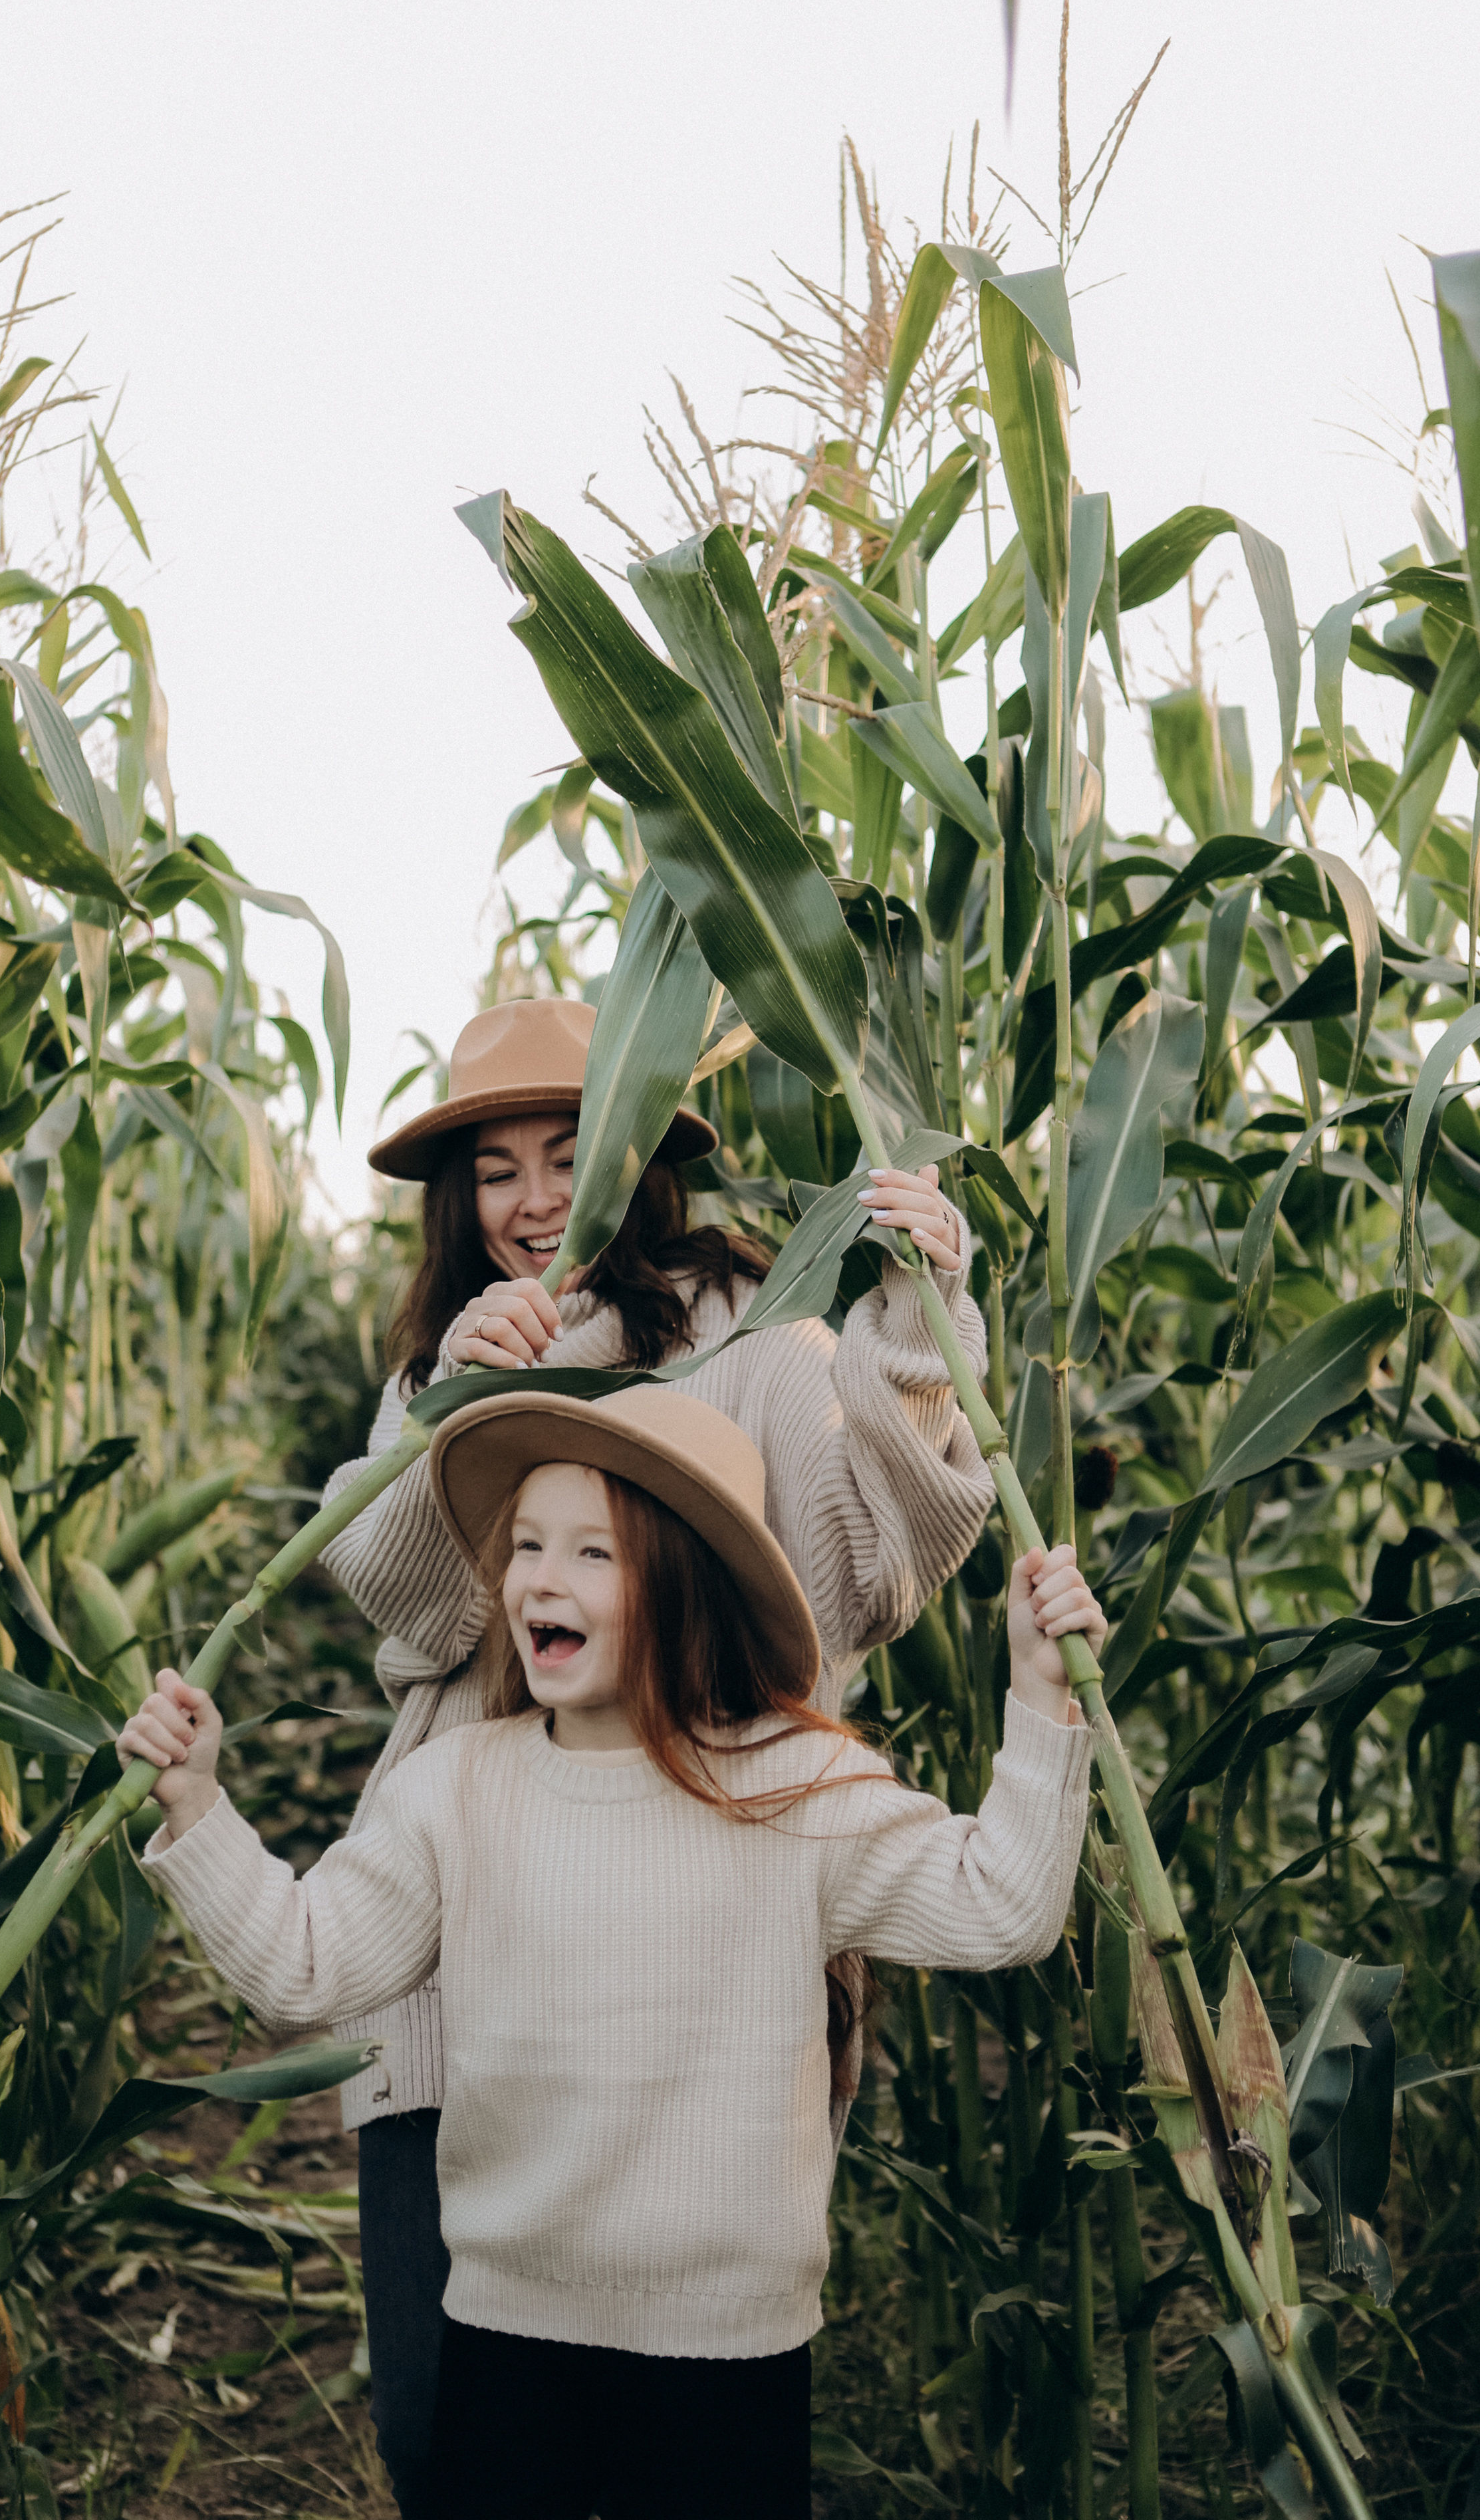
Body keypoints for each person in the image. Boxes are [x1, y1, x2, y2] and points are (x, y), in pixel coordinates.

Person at [119, 1387, 1104, 2520]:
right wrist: (196, 1803)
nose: (543, 1577)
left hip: (728, 2355)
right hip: (506, 2329)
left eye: (594, 1552)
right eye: (528, 1544)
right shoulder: (455, 1789)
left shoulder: (797, 1785)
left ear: (686, 1582)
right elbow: (302, 1968)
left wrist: (1040, 1692)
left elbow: (1004, 1907)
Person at [320, 995, 997, 2511]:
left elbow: (865, 1567)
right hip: (461, 1919)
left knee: (676, 2433)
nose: (533, 1199)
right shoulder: (452, 1352)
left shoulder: (751, 1340)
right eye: (493, 1167)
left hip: (691, 1937)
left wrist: (911, 1331)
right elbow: (410, 1602)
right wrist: (458, 1403)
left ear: (642, 1159)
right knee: (442, 2432)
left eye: (569, 1151)